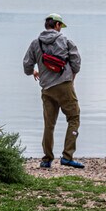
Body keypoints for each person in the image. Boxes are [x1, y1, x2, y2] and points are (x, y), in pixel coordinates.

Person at [23, 13, 84, 169]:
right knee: (74, 118)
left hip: (47, 89)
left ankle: (47, 159)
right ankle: (67, 156)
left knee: (49, 124)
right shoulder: (66, 41)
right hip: (64, 85)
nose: (61, 29)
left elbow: (27, 66)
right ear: (57, 25)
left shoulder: (35, 43)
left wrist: (34, 72)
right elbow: (76, 62)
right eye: (60, 26)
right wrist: (72, 75)